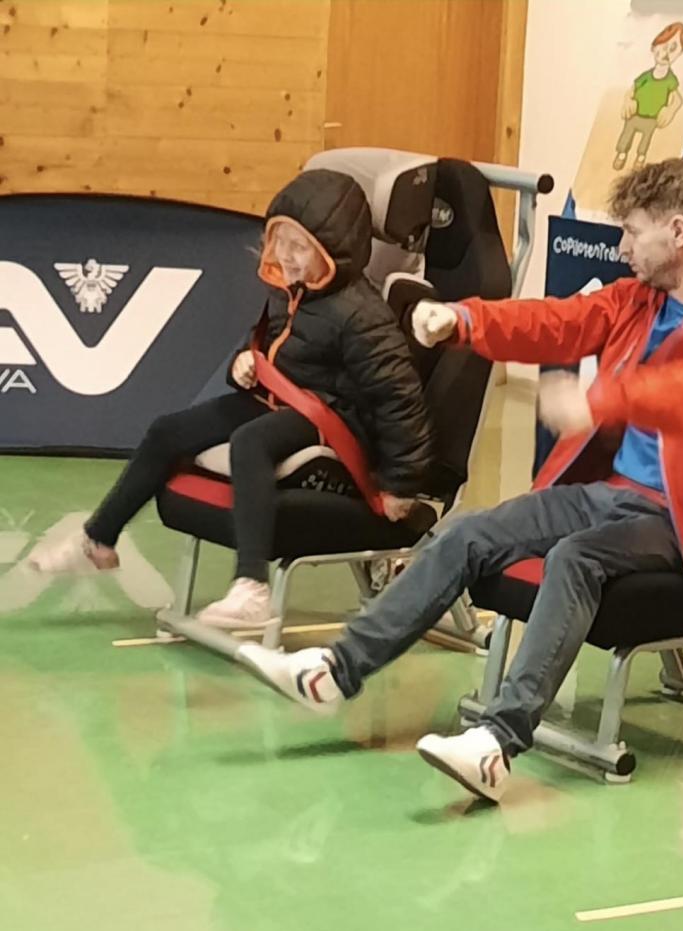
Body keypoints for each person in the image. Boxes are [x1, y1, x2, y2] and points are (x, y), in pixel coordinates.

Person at [238, 157, 683, 803]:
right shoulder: (641, 300)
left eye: (632, 232)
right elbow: (555, 322)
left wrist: (603, 401)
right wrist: (464, 321)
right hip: (612, 496)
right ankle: (335, 672)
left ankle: (497, 744)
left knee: (576, 558)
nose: (621, 247)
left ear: (676, 232)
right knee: (470, 531)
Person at [29, 169, 432, 629]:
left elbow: (399, 398)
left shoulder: (363, 315)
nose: (287, 256)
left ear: (334, 251)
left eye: (301, 248)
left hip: (334, 418)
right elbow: (269, 345)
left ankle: (252, 589)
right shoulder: (290, 291)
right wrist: (243, 363)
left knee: (251, 442)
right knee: (168, 430)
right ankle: (98, 541)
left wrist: (401, 483)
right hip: (280, 400)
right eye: (282, 242)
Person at [613, 21, 683, 171]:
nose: (666, 53)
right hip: (635, 115)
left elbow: (678, 100)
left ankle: (640, 159)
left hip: (651, 118)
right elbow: (632, 89)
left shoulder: (670, 80)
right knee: (627, 135)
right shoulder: (646, 76)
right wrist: (628, 101)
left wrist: (669, 111)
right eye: (664, 47)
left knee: (645, 140)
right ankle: (621, 154)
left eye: (673, 49)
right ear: (654, 48)